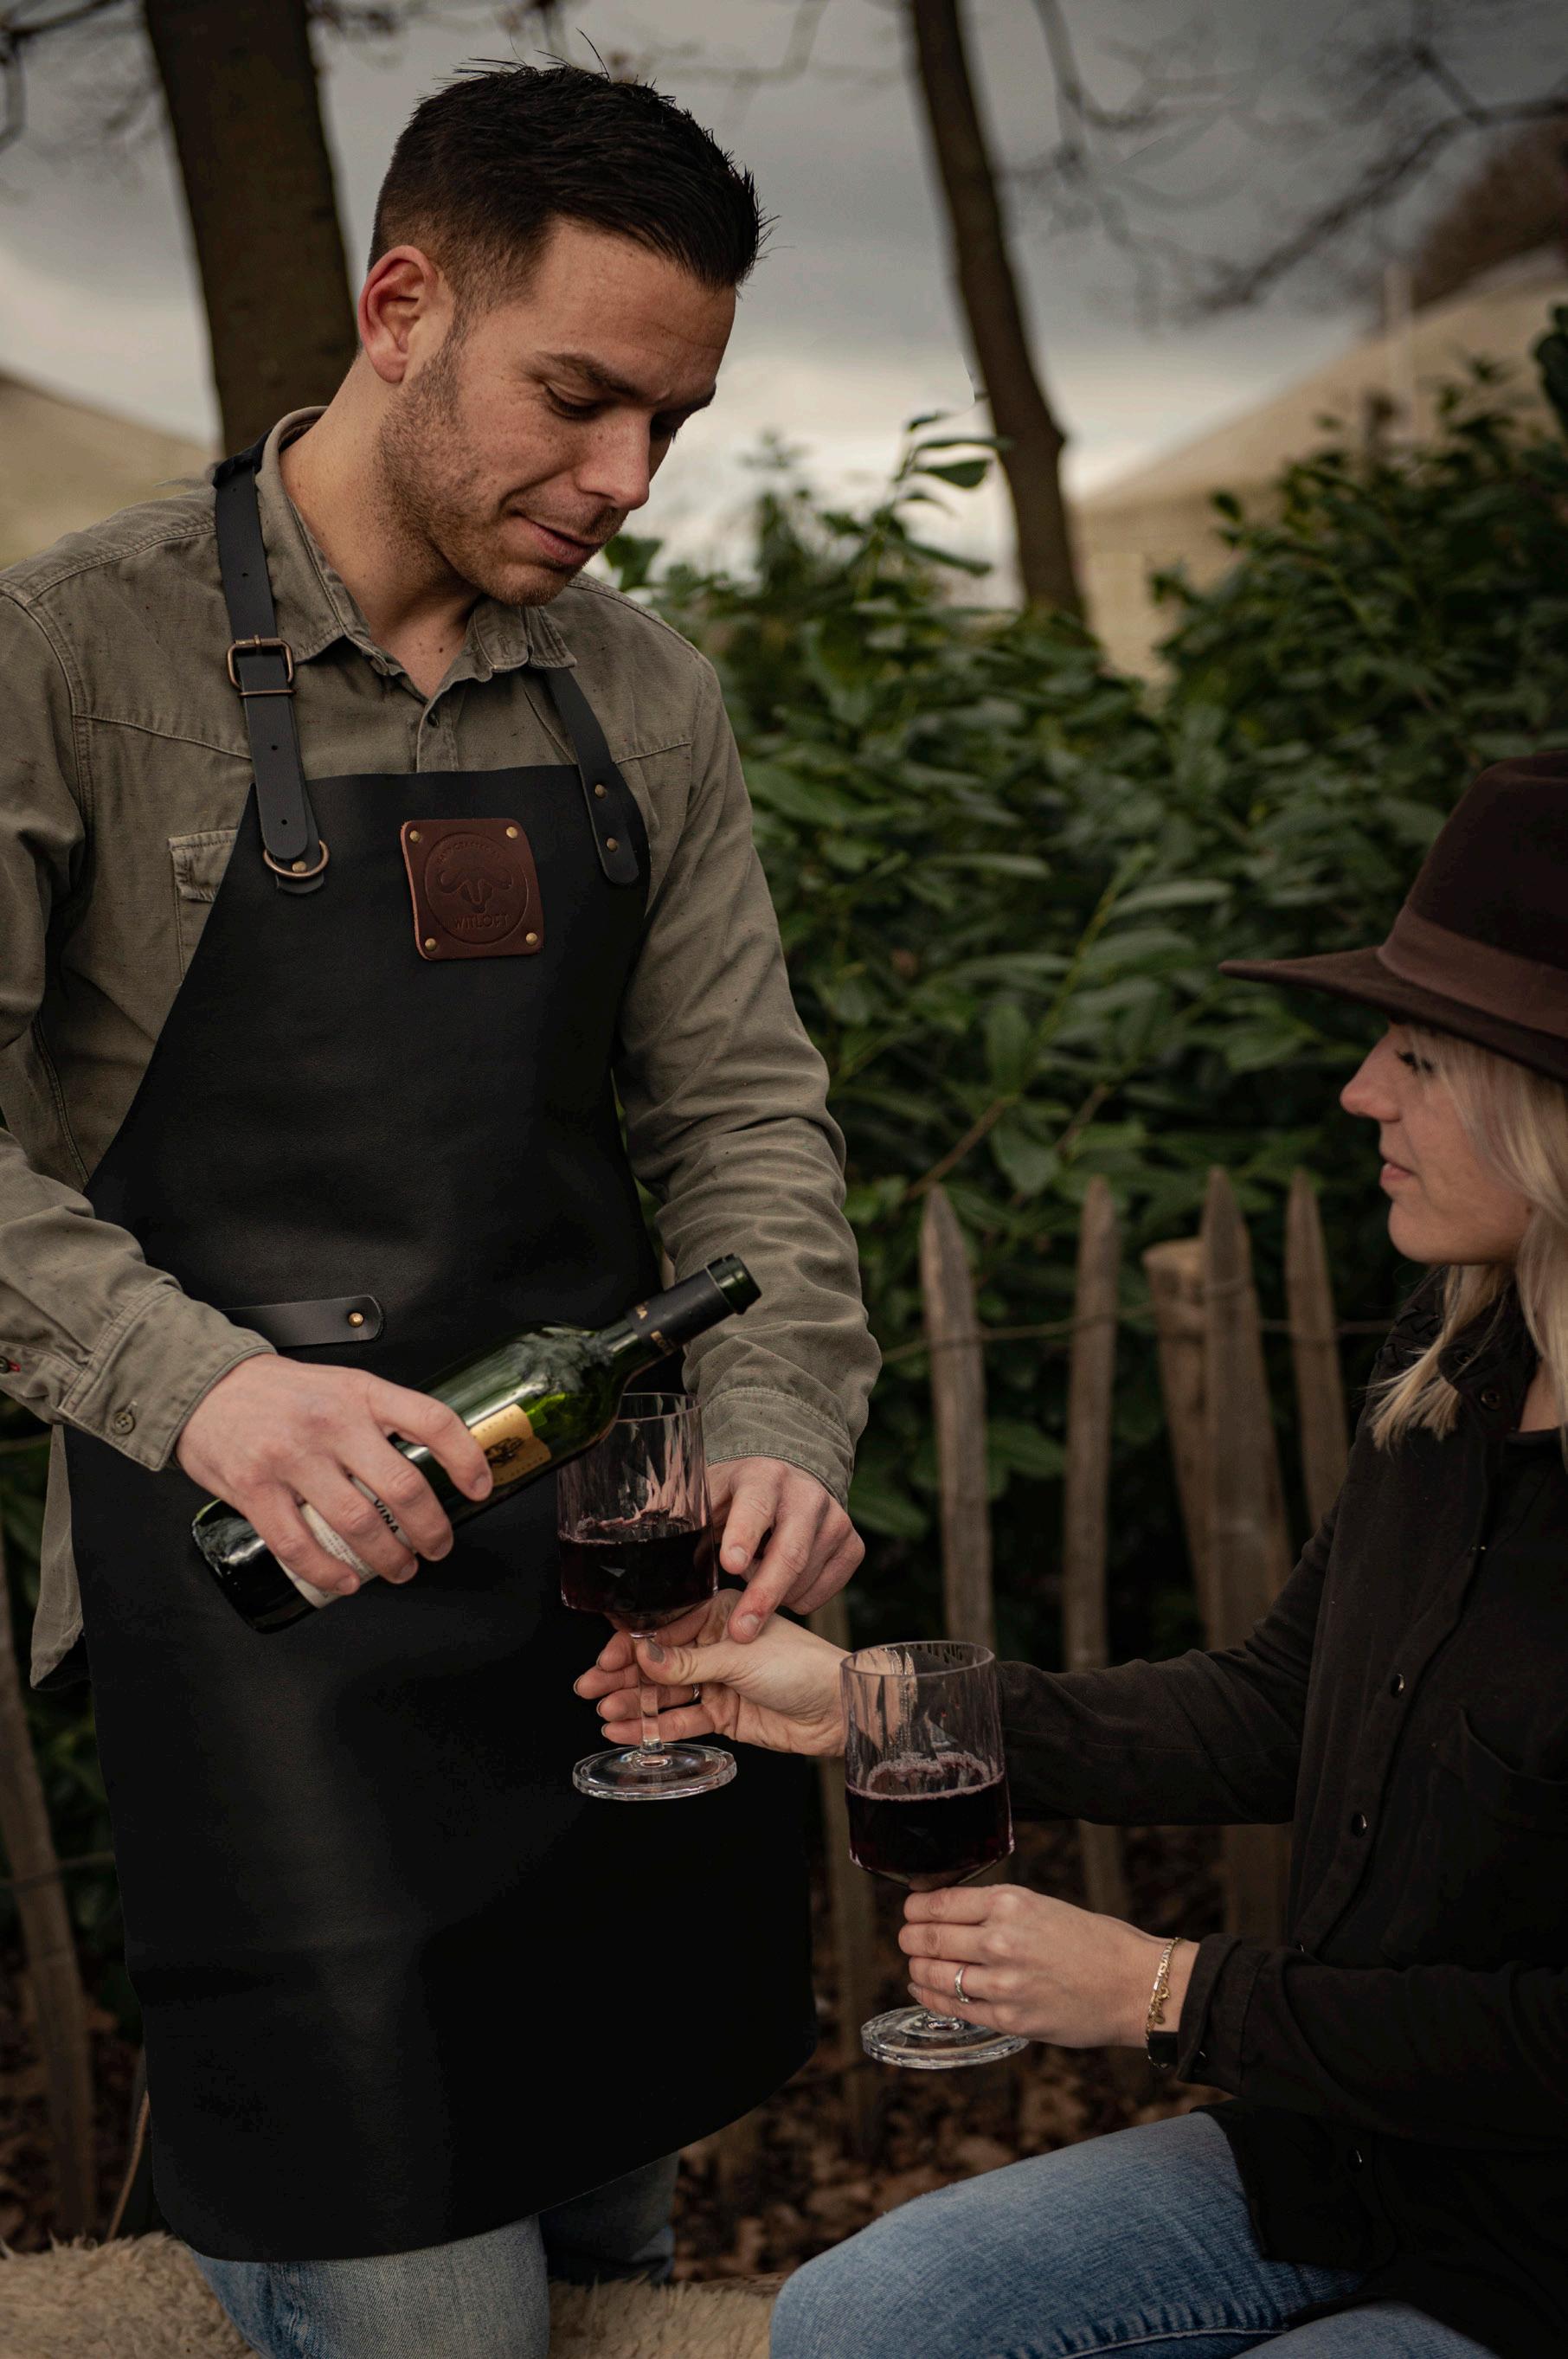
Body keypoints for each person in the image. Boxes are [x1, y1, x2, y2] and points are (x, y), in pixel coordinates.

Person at [0, 61, 877, 2359]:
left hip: (609, 1625)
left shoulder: (643, 692)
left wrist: (782, 1423)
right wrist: (204, 1386)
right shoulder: (73, 657)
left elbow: (748, 1116)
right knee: (434, 2317)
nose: (628, 481)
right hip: (260, 1626)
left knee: (613, 2276)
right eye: (579, 400)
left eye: (672, 422)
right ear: (402, 309)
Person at [583, 751, 1568, 2359]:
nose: (1359, 1093)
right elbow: (1276, 1705)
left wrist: (1167, 1990)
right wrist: (872, 1706)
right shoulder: (1457, 1360)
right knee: (857, 2316)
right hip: (1351, 2158)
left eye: (1415, 1057)